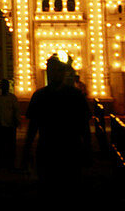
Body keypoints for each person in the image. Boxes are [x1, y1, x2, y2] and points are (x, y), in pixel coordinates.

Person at [22, 56, 92, 198]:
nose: (54, 74)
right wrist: (27, 149)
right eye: (51, 70)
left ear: (63, 72)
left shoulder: (75, 95)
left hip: (69, 150)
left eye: (58, 70)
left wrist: (87, 149)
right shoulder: (40, 95)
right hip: (49, 150)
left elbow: (84, 126)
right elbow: (32, 126)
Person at [0, 79, 19, 170]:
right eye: (3, 85)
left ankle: (10, 164)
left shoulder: (12, 98)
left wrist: (16, 120)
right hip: (0, 126)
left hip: (10, 126)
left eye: (5, 85)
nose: (4, 87)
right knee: (0, 146)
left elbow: (16, 111)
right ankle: (1, 163)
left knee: (10, 146)